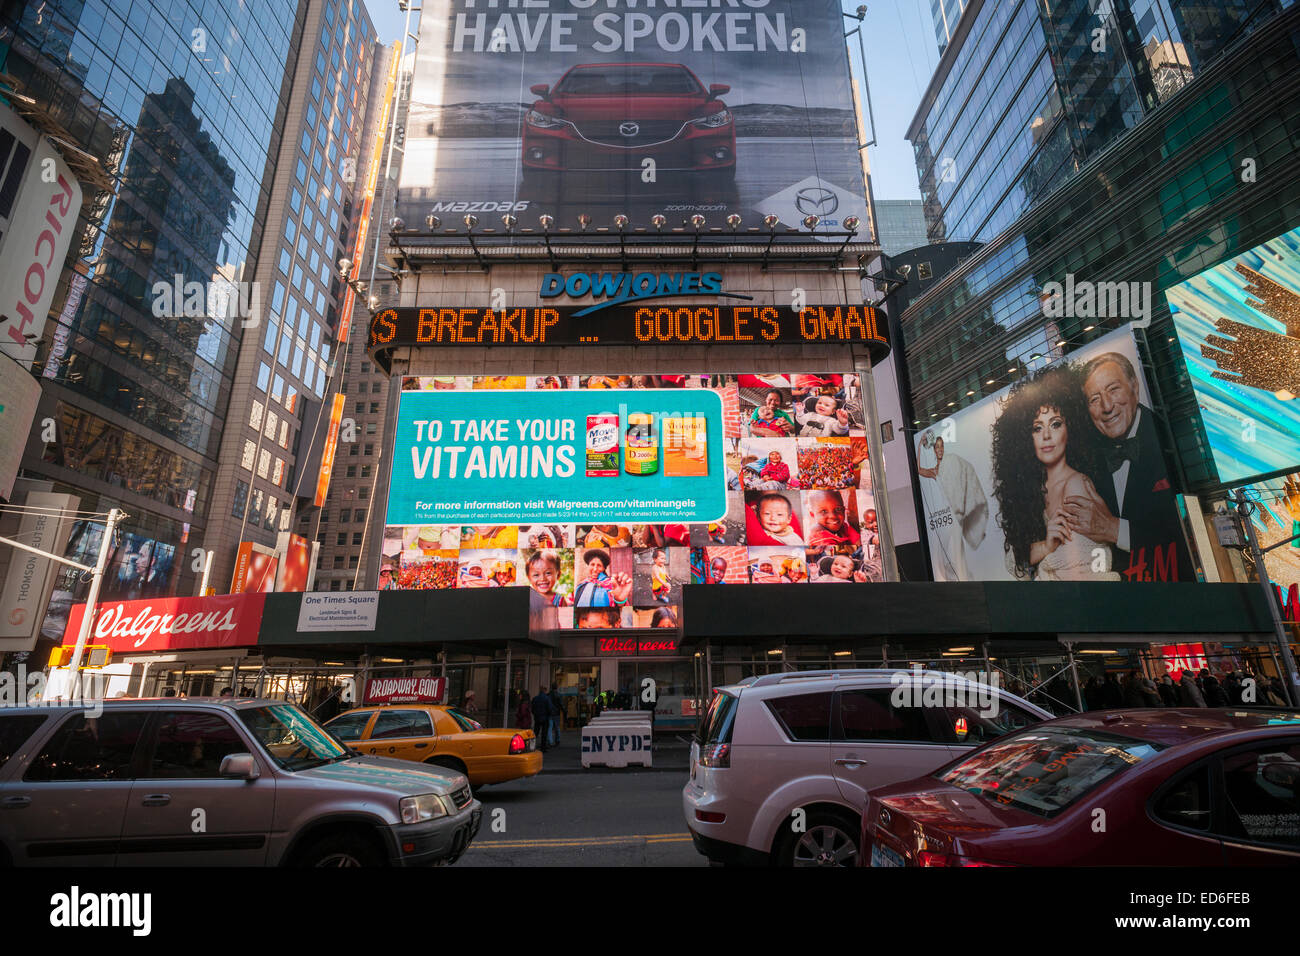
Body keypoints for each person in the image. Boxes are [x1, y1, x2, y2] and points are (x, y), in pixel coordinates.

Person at [1061, 352, 1192, 582]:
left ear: (1134, 386)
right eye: (1094, 399)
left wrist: (1114, 529)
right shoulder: (1087, 460)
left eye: (1113, 389)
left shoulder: (1171, 437)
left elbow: (1190, 531)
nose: (1107, 406)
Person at [990, 364, 1121, 581]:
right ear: (1025, 438)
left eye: (1056, 424)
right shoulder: (1032, 491)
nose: (1047, 436)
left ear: (1071, 429)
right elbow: (1015, 562)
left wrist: (1041, 555)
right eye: (1037, 428)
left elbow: (1085, 570)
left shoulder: (1076, 485)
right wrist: (1047, 545)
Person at [917, 433, 988, 580]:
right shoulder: (935, 470)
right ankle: (952, 581)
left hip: (955, 515)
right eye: (937, 447)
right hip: (945, 516)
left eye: (942, 446)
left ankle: (962, 581)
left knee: (956, 552)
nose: (940, 450)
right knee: (942, 554)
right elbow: (919, 470)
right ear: (934, 450)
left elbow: (965, 473)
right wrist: (919, 444)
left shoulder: (952, 463)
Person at [531, 687, 552, 752]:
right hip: (545, 718)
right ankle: (543, 747)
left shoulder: (535, 698)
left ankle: (532, 746)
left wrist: (535, 714)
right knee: (544, 733)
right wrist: (548, 715)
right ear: (545, 691)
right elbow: (549, 708)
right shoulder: (547, 698)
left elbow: (532, 708)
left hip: (537, 717)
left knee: (535, 733)